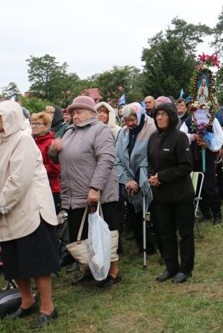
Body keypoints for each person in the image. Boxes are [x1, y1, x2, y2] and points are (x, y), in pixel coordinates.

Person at [0, 100, 59, 329]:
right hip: (7, 213)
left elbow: (20, 180)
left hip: (29, 211)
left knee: (37, 262)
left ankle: (48, 307)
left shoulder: (23, 140)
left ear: (11, 117)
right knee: (16, 262)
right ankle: (27, 302)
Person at [50, 95, 121, 288]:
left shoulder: (101, 130)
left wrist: (95, 188)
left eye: (79, 112)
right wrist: (53, 151)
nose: (75, 116)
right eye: (72, 112)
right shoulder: (69, 132)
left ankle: (113, 272)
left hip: (98, 194)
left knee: (105, 234)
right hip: (74, 194)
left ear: (92, 113)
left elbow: (106, 160)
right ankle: (90, 270)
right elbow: (58, 161)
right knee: (80, 237)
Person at [148, 102, 195, 284]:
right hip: (161, 195)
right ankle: (171, 267)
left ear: (172, 117)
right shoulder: (153, 138)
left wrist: (162, 176)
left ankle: (185, 269)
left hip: (180, 194)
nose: (159, 118)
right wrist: (153, 176)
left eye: (163, 114)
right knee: (165, 232)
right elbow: (150, 161)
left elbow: (186, 166)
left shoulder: (180, 137)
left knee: (185, 233)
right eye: (157, 115)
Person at [115, 103, 158, 256]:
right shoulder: (123, 133)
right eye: (126, 120)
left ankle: (159, 246)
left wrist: (140, 181)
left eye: (133, 119)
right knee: (134, 214)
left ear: (139, 116)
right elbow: (118, 158)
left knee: (155, 213)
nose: (130, 124)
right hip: (130, 181)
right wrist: (127, 180)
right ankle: (144, 247)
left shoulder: (151, 129)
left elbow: (149, 157)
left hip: (148, 178)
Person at [180, 103, 223, 225]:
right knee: (196, 186)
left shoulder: (211, 120)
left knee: (209, 186)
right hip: (191, 158)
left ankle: (217, 213)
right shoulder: (188, 121)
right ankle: (206, 213)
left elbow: (220, 137)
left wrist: (208, 144)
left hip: (207, 158)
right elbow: (181, 137)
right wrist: (193, 137)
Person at [31, 112, 62, 213]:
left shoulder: (50, 143)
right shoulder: (32, 141)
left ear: (47, 126)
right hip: (35, 188)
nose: (34, 126)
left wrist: (34, 168)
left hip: (50, 189)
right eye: (33, 123)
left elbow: (55, 169)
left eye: (38, 124)